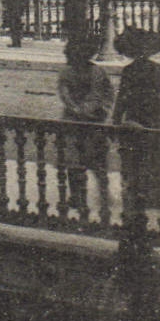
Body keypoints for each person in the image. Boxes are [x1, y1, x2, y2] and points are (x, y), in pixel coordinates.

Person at [112, 28, 160, 222]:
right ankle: (154, 196)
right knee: (153, 158)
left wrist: (116, 118)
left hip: (139, 118)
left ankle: (142, 195)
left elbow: (122, 98)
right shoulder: (158, 70)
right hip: (151, 119)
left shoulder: (130, 70)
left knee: (139, 159)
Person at [56, 35, 114, 214]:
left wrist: (78, 109)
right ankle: (89, 195)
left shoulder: (84, 72)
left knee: (85, 159)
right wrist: (85, 109)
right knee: (88, 160)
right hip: (88, 120)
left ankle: (84, 195)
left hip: (80, 120)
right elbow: (66, 95)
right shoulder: (92, 71)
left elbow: (96, 95)